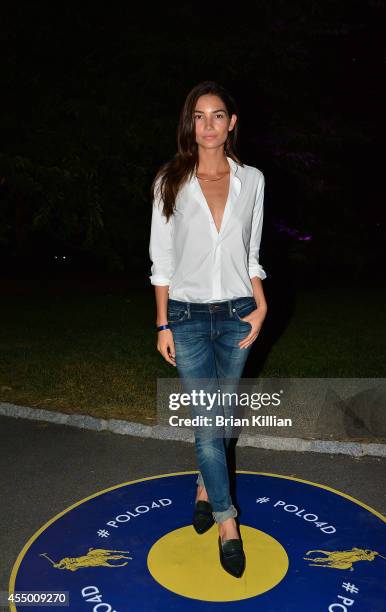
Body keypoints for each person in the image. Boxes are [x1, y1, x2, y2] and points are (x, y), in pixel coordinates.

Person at [148, 80, 268, 578]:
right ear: (189, 125)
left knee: (224, 417)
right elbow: (162, 260)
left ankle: (203, 487)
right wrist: (162, 323)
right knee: (207, 423)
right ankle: (226, 522)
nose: (208, 125)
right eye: (199, 117)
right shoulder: (170, 182)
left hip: (239, 312)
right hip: (190, 317)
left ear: (231, 123)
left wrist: (261, 305)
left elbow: (252, 254)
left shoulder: (253, 180)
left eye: (217, 115)